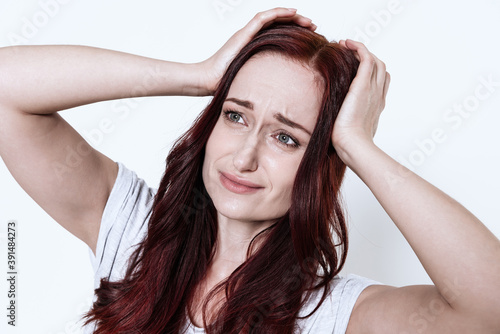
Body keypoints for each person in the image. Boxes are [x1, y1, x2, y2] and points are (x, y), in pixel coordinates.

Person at [0, 7, 499, 334]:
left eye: (287, 137)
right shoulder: (132, 235)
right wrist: (198, 77)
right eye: (235, 115)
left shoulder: (335, 315)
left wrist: (356, 145)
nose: (243, 158)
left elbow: (489, 308)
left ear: (322, 163)